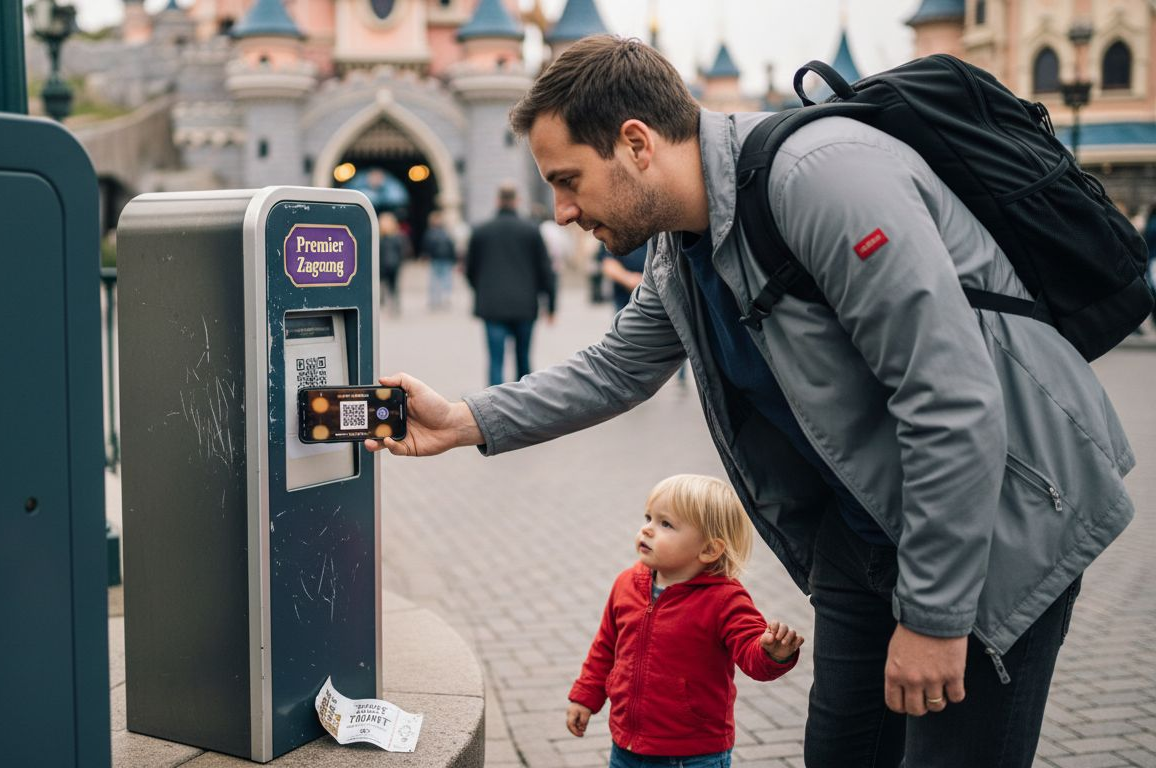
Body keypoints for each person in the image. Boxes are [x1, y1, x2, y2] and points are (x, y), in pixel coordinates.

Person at [368, 35, 1135, 767]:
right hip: (865, 535)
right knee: (839, 756)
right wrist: (464, 421)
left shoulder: (822, 179)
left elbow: (950, 398)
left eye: (568, 180)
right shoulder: (680, 242)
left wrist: (935, 620)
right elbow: (615, 369)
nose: (562, 212)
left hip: (997, 525)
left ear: (637, 144)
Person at [566, 474, 803, 768]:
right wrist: (585, 698)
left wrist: (772, 653)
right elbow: (604, 648)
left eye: (665, 524)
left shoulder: (724, 599)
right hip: (626, 745)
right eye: (649, 518)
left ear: (709, 550)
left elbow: (750, 651)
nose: (647, 529)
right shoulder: (626, 584)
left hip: (692, 754)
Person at [464, 182, 556, 385]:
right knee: (523, 359)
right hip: (525, 305)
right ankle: (523, 406)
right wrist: (551, 305)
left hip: (492, 306)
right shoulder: (531, 231)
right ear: (517, 201)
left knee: (495, 361)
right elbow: (546, 270)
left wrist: (481, 290)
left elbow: (470, 270)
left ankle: (492, 407)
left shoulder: (481, 231)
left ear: (497, 201)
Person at [422, 209, 458, 310]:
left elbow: (426, 246)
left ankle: (435, 299)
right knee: (446, 278)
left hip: (435, 258)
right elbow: (451, 245)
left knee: (434, 279)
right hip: (446, 258)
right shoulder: (446, 232)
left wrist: (425, 256)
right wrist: (453, 259)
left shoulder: (430, 233)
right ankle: (446, 297)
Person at [378, 210, 407, 315]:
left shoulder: (379, 238)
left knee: (384, 287)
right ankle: (395, 307)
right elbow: (402, 251)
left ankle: (388, 306)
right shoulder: (397, 237)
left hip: (384, 266)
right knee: (394, 287)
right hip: (394, 264)